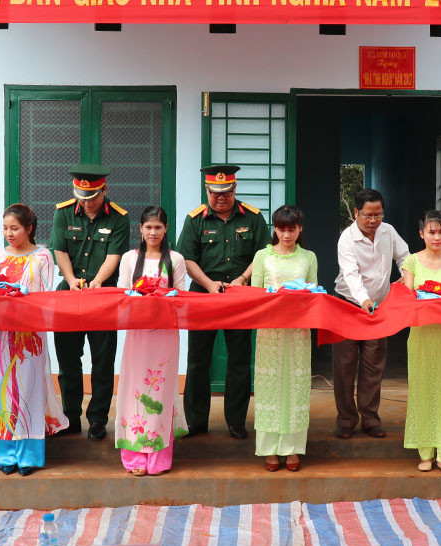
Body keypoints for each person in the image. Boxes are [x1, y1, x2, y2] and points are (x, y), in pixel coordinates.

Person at [175, 164, 269, 440]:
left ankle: (236, 421)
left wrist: (241, 279)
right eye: (215, 192)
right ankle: (195, 421)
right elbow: (187, 259)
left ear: (234, 189)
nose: (220, 197)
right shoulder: (195, 220)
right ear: (207, 190)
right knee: (198, 360)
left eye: (226, 192)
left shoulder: (252, 217)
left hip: (239, 297)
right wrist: (208, 284)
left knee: (239, 360)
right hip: (204, 297)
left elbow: (262, 255)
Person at [0, 204, 69, 476]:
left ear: (29, 229)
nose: (9, 233)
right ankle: (5, 454)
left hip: (30, 332)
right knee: (1, 387)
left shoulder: (43, 257)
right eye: (6, 228)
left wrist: (20, 297)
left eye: (15, 228)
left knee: (29, 390)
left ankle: (29, 456)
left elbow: (43, 296)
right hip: (1, 333)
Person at [51, 164, 130, 440]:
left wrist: (97, 281)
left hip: (103, 296)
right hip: (68, 295)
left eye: (92, 196)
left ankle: (97, 419)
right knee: (68, 359)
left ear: (104, 190)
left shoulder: (119, 217)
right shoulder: (63, 212)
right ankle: (70, 417)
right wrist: (71, 279)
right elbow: (59, 250)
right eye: (81, 196)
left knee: (103, 360)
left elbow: (114, 255)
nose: (86, 202)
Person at [115, 206, 189, 475]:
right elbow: (122, 295)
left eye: (158, 227)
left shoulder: (176, 259)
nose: (153, 232)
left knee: (162, 389)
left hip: (166, 333)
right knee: (136, 388)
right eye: (148, 227)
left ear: (166, 229)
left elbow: (182, 296)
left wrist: (162, 296)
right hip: (138, 333)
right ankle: (135, 457)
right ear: (140, 229)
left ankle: (158, 457)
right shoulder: (128, 258)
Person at [332, 188, 409, 439]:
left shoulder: (389, 232)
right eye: (367, 215)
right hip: (348, 304)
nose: (373, 220)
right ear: (356, 212)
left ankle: (370, 418)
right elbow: (350, 274)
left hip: (378, 307)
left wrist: (407, 285)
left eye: (378, 215)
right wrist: (363, 299)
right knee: (345, 364)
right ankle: (346, 419)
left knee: (373, 363)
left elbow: (406, 258)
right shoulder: (346, 238)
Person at [251, 205, 318, 473]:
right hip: (270, 329)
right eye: (281, 229)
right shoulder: (261, 256)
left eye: (292, 229)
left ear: (300, 229)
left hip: (299, 329)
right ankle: (269, 449)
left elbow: (316, 290)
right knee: (270, 386)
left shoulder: (309, 257)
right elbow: (254, 293)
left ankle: (292, 449)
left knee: (296, 385)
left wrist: (303, 293)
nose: (286, 234)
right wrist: (273, 292)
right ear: (274, 229)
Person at [401, 210, 441, 477]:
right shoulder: (411, 262)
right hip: (421, 335)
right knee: (422, 390)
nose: (437, 236)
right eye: (431, 231)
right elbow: (407, 300)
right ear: (422, 234)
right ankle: (425, 452)